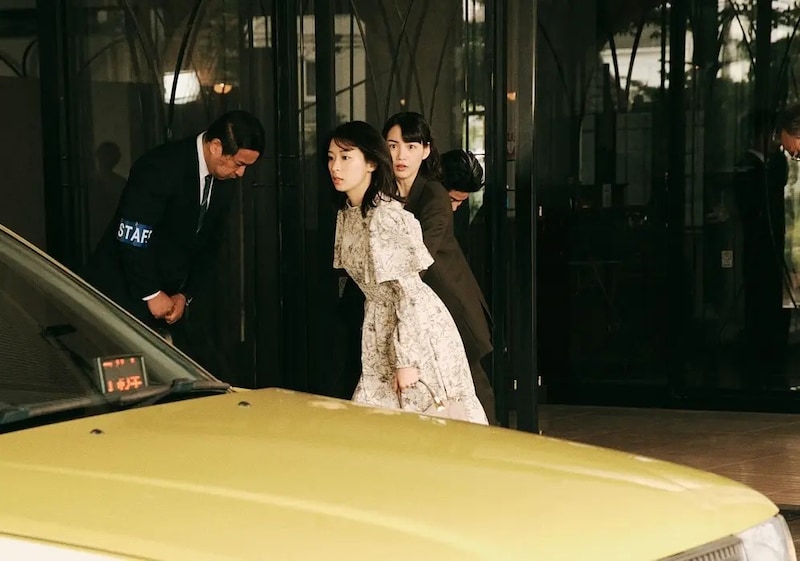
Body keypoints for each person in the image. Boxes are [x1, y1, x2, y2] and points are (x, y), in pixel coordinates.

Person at [329, 120, 487, 424]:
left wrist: (407, 359)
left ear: (371, 163)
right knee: (381, 422)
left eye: (346, 157)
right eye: (331, 157)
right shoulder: (348, 216)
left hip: (416, 331)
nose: (336, 166)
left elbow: (409, 293)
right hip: (379, 326)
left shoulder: (388, 217)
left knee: (433, 422)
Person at [82, 110, 265, 362]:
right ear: (215, 147)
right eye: (239, 163)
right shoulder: (160, 166)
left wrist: (185, 295)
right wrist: (151, 293)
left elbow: (211, 243)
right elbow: (132, 235)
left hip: (169, 300)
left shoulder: (225, 179)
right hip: (121, 293)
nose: (241, 173)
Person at [382, 111, 498, 425]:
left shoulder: (433, 198)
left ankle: (492, 441)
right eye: (393, 145)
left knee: (470, 386)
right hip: (436, 303)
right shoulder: (404, 190)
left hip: (452, 304)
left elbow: (417, 260)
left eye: (410, 146)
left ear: (425, 150)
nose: (454, 209)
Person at [732, 107, 791, 390]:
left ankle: (772, 353)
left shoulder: (771, 165)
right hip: (759, 246)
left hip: (773, 244)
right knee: (762, 300)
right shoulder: (749, 167)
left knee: (773, 300)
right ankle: (763, 356)